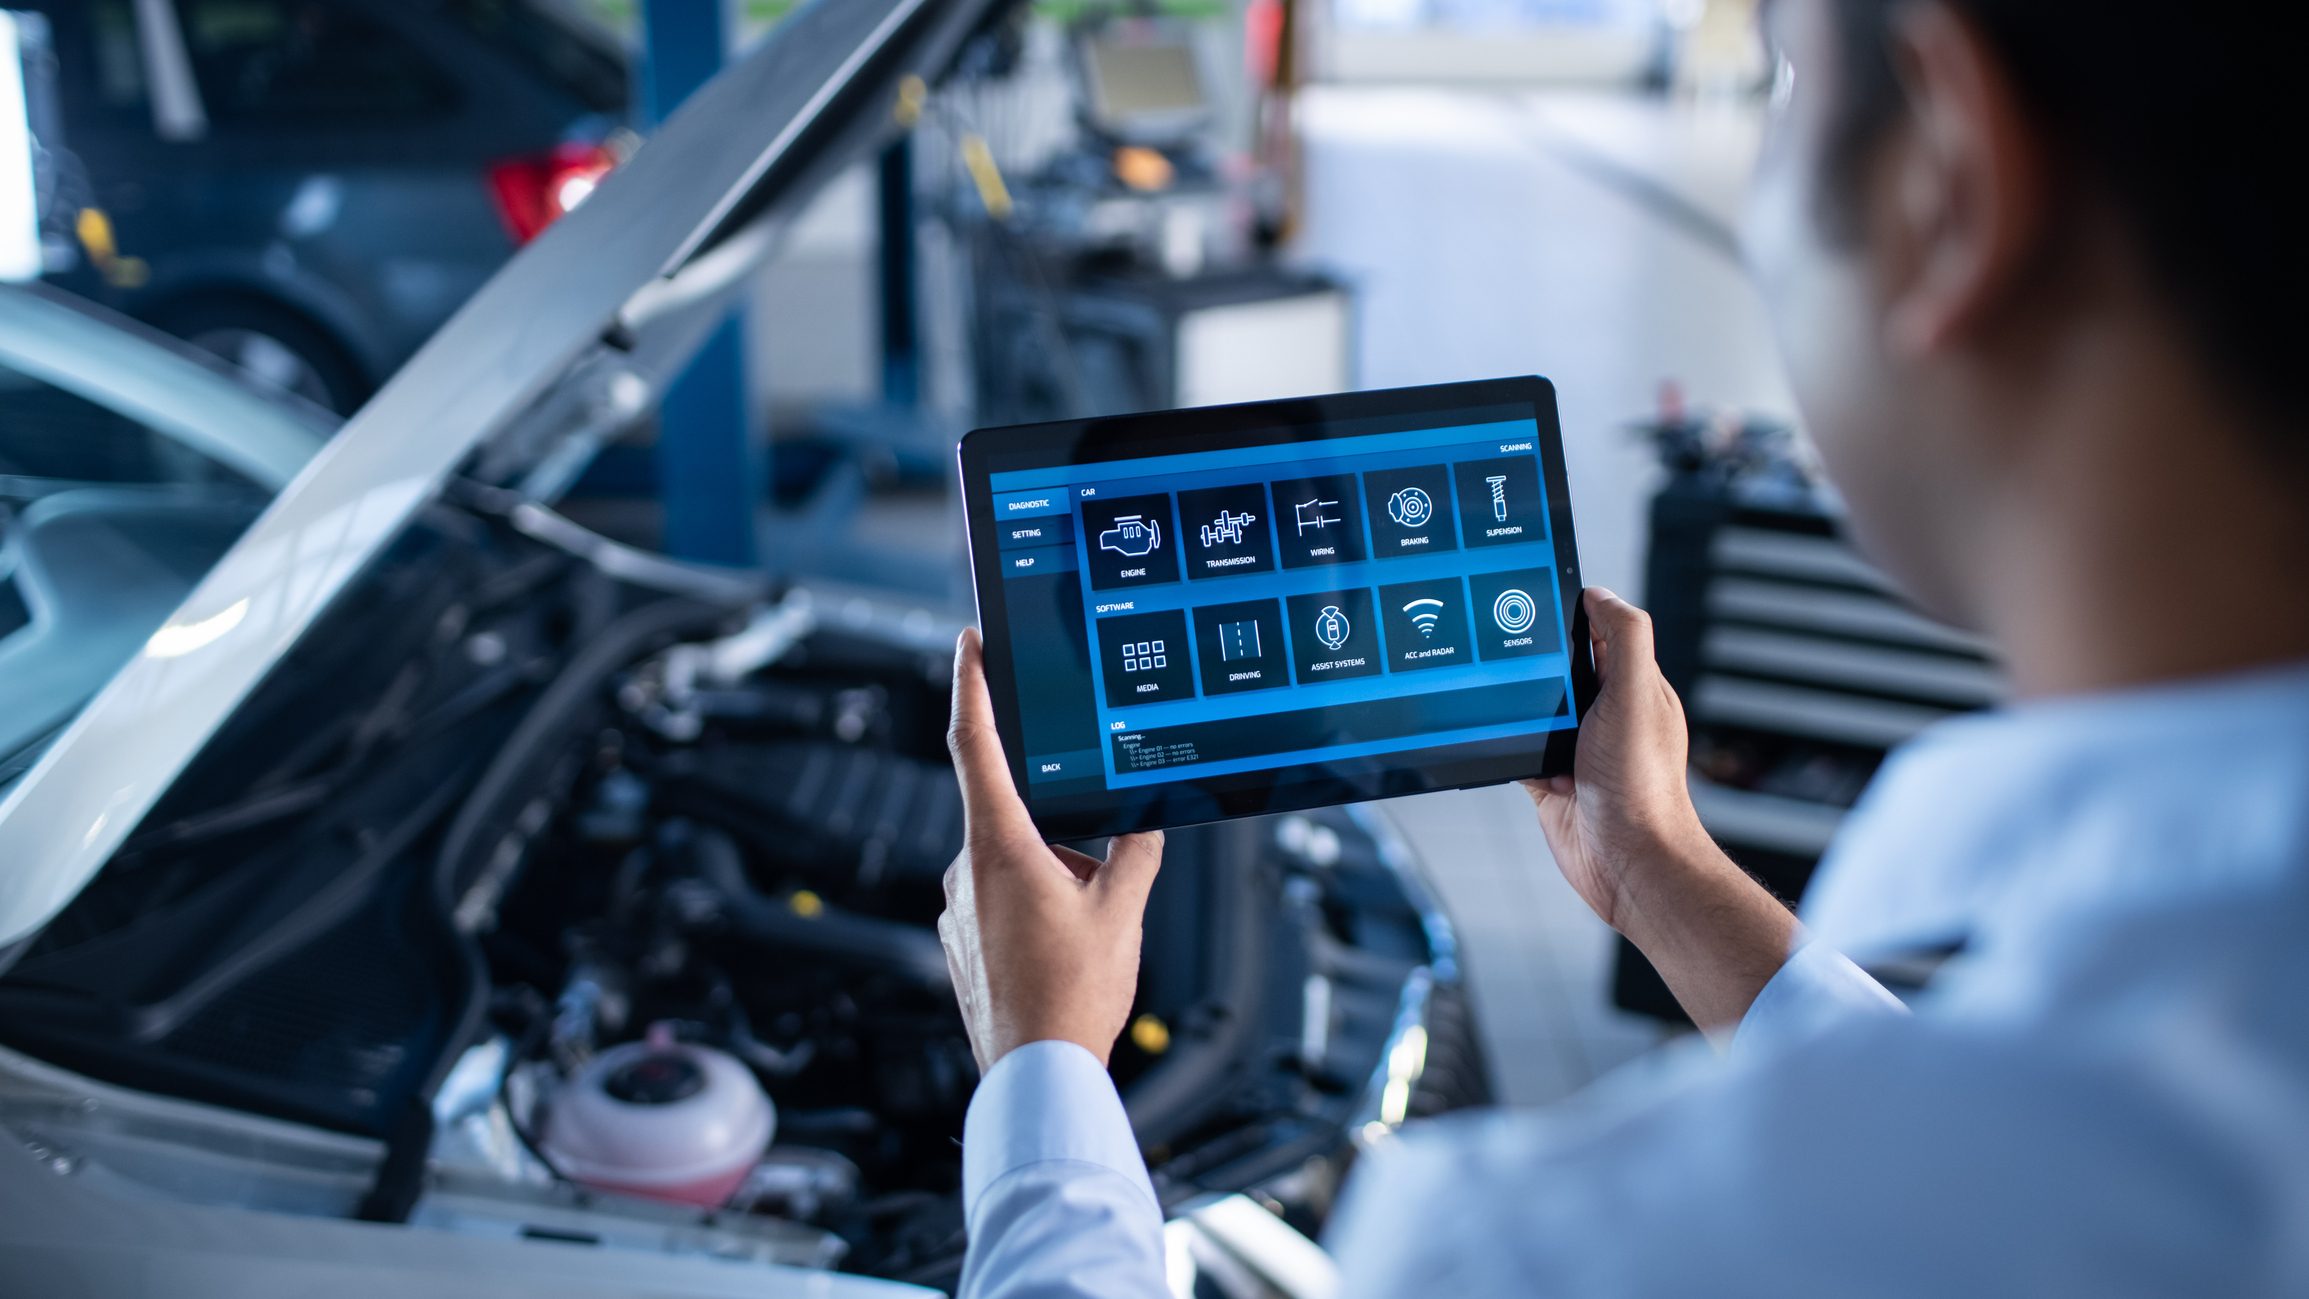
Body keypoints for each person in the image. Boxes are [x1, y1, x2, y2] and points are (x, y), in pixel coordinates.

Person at [936, 0, 2309, 1292]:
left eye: (1781, 82)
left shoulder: (1564, 1255)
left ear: (1946, 176)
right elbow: (2014, 1159)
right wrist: (1660, 871)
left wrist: (1044, 1070)